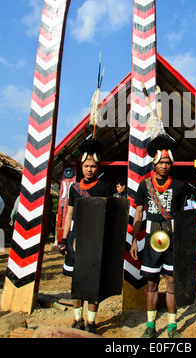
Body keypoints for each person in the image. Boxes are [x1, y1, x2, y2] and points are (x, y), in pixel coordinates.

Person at [130, 134, 185, 339]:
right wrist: (135, 240)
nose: (164, 165)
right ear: (154, 162)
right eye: (161, 162)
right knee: (151, 283)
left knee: (171, 283)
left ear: (172, 163)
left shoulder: (179, 186)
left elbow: (181, 215)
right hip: (151, 239)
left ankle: (172, 326)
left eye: (167, 162)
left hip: (172, 239)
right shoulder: (145, 185)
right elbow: (138, 213)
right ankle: (150, 325)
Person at [59, 139, 110, 333]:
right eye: (86, 166)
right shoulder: (74, 189)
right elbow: (69, 214)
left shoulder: (105, 188)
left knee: (93, 280)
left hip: (96, 239)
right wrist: (64, 239)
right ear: (81, 166)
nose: (89, 169)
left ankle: (91, 322)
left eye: (93, 166)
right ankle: (77, 319)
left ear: (98, 167)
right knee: (76, 280)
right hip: (76, 238)